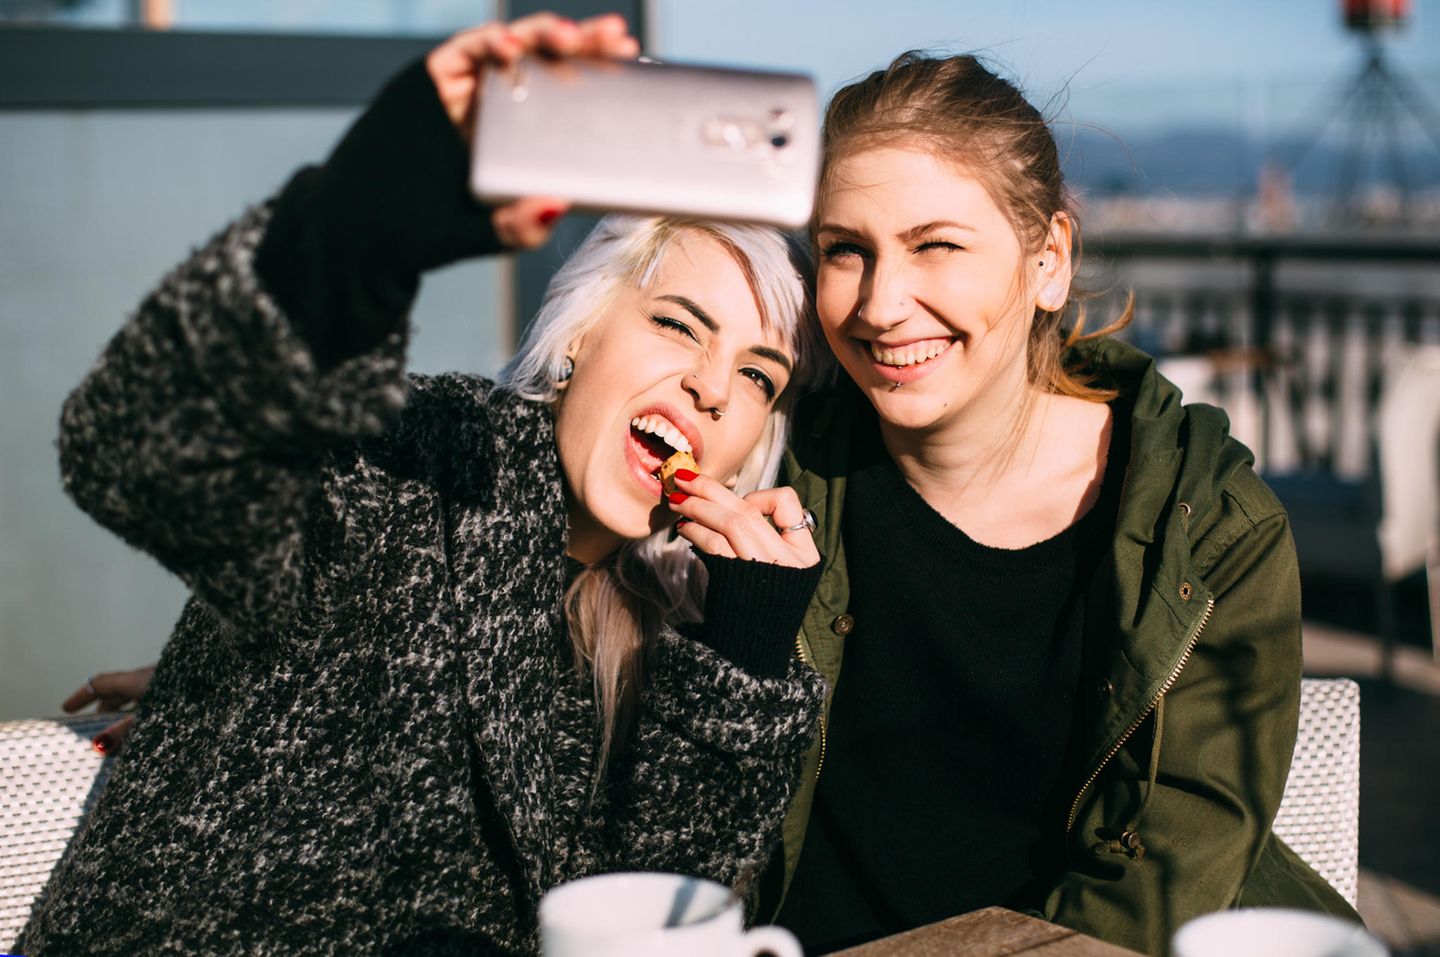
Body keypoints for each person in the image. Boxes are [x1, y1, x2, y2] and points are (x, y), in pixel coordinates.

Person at [21, 14, 831, 956]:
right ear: (578, 334)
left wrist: (744, 648)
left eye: (760, 375)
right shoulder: (419, 459)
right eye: (680, 326)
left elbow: (654, 915)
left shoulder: (670, 625)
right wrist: (363, 217)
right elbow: (142, 449)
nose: (713, 387)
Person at [760, 52, 1362, 955]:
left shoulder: (1206, 536)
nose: (882, 305)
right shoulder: (769, 468)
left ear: (1049, 261)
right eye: (847, 250)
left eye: (937, 245)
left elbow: (1157, 887)